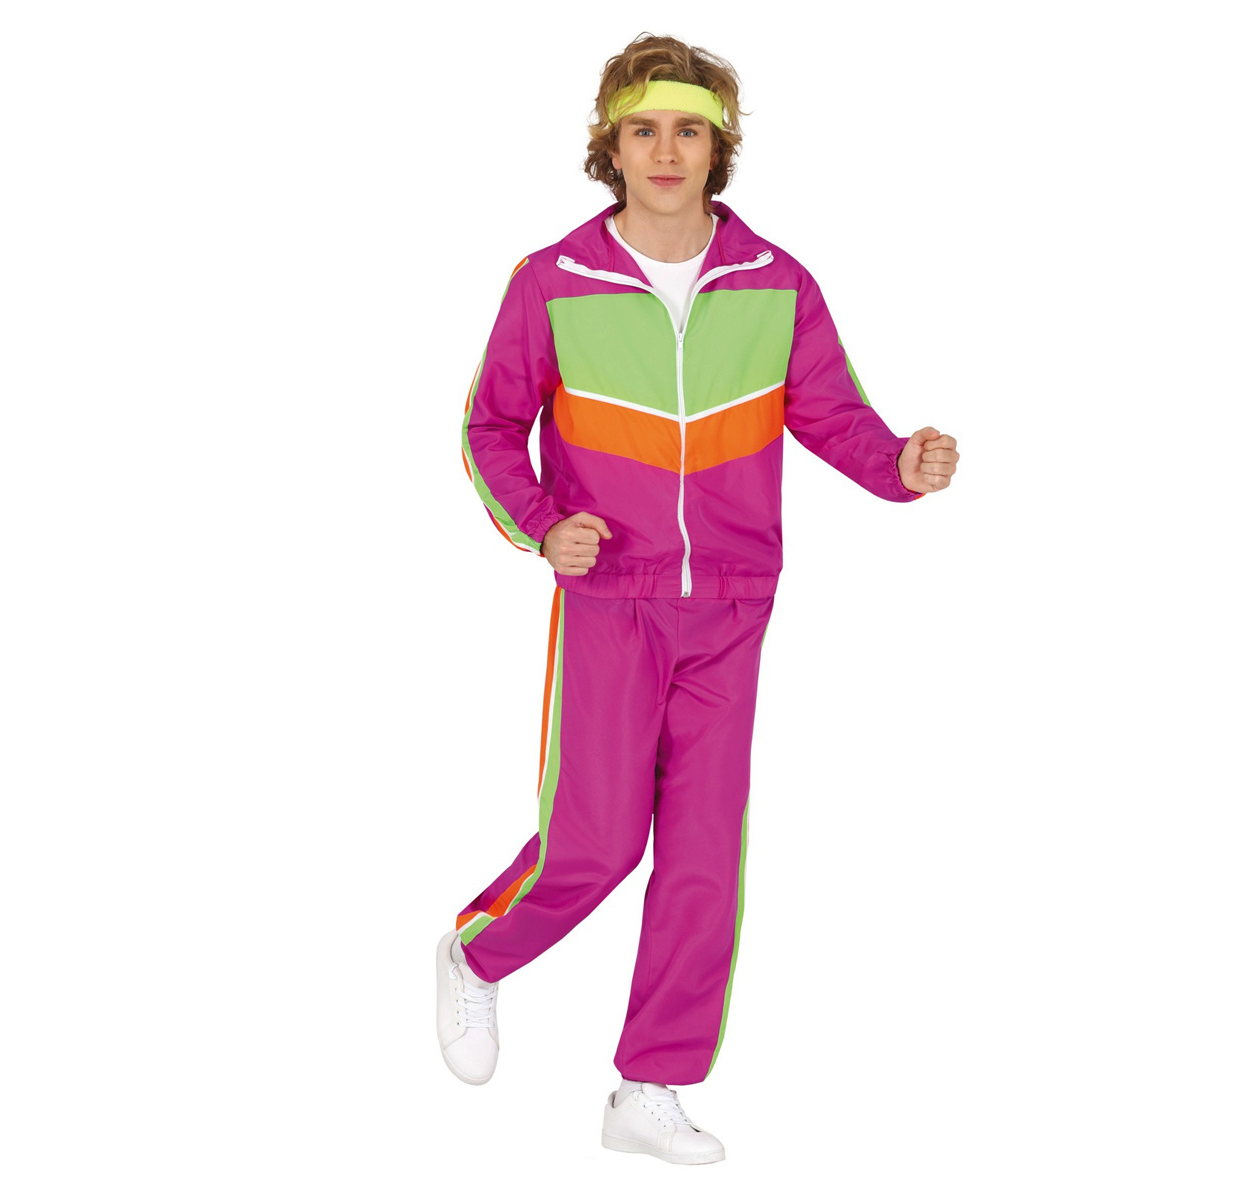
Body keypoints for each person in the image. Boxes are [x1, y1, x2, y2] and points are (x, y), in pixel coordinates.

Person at [437, 32, 960, 1165]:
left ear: (718, 147)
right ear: (610, 146)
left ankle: (651, 1086)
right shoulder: (553, 280)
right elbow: (489, 427)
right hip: (611, 597)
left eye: (688, 130)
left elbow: (834, 415)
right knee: (596, 840)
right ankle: (476, 952)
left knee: (704, 856)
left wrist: (899, 465)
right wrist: (543, 525)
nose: (665, 151)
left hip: (732, 602)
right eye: (643, 130)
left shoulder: (775, 280)